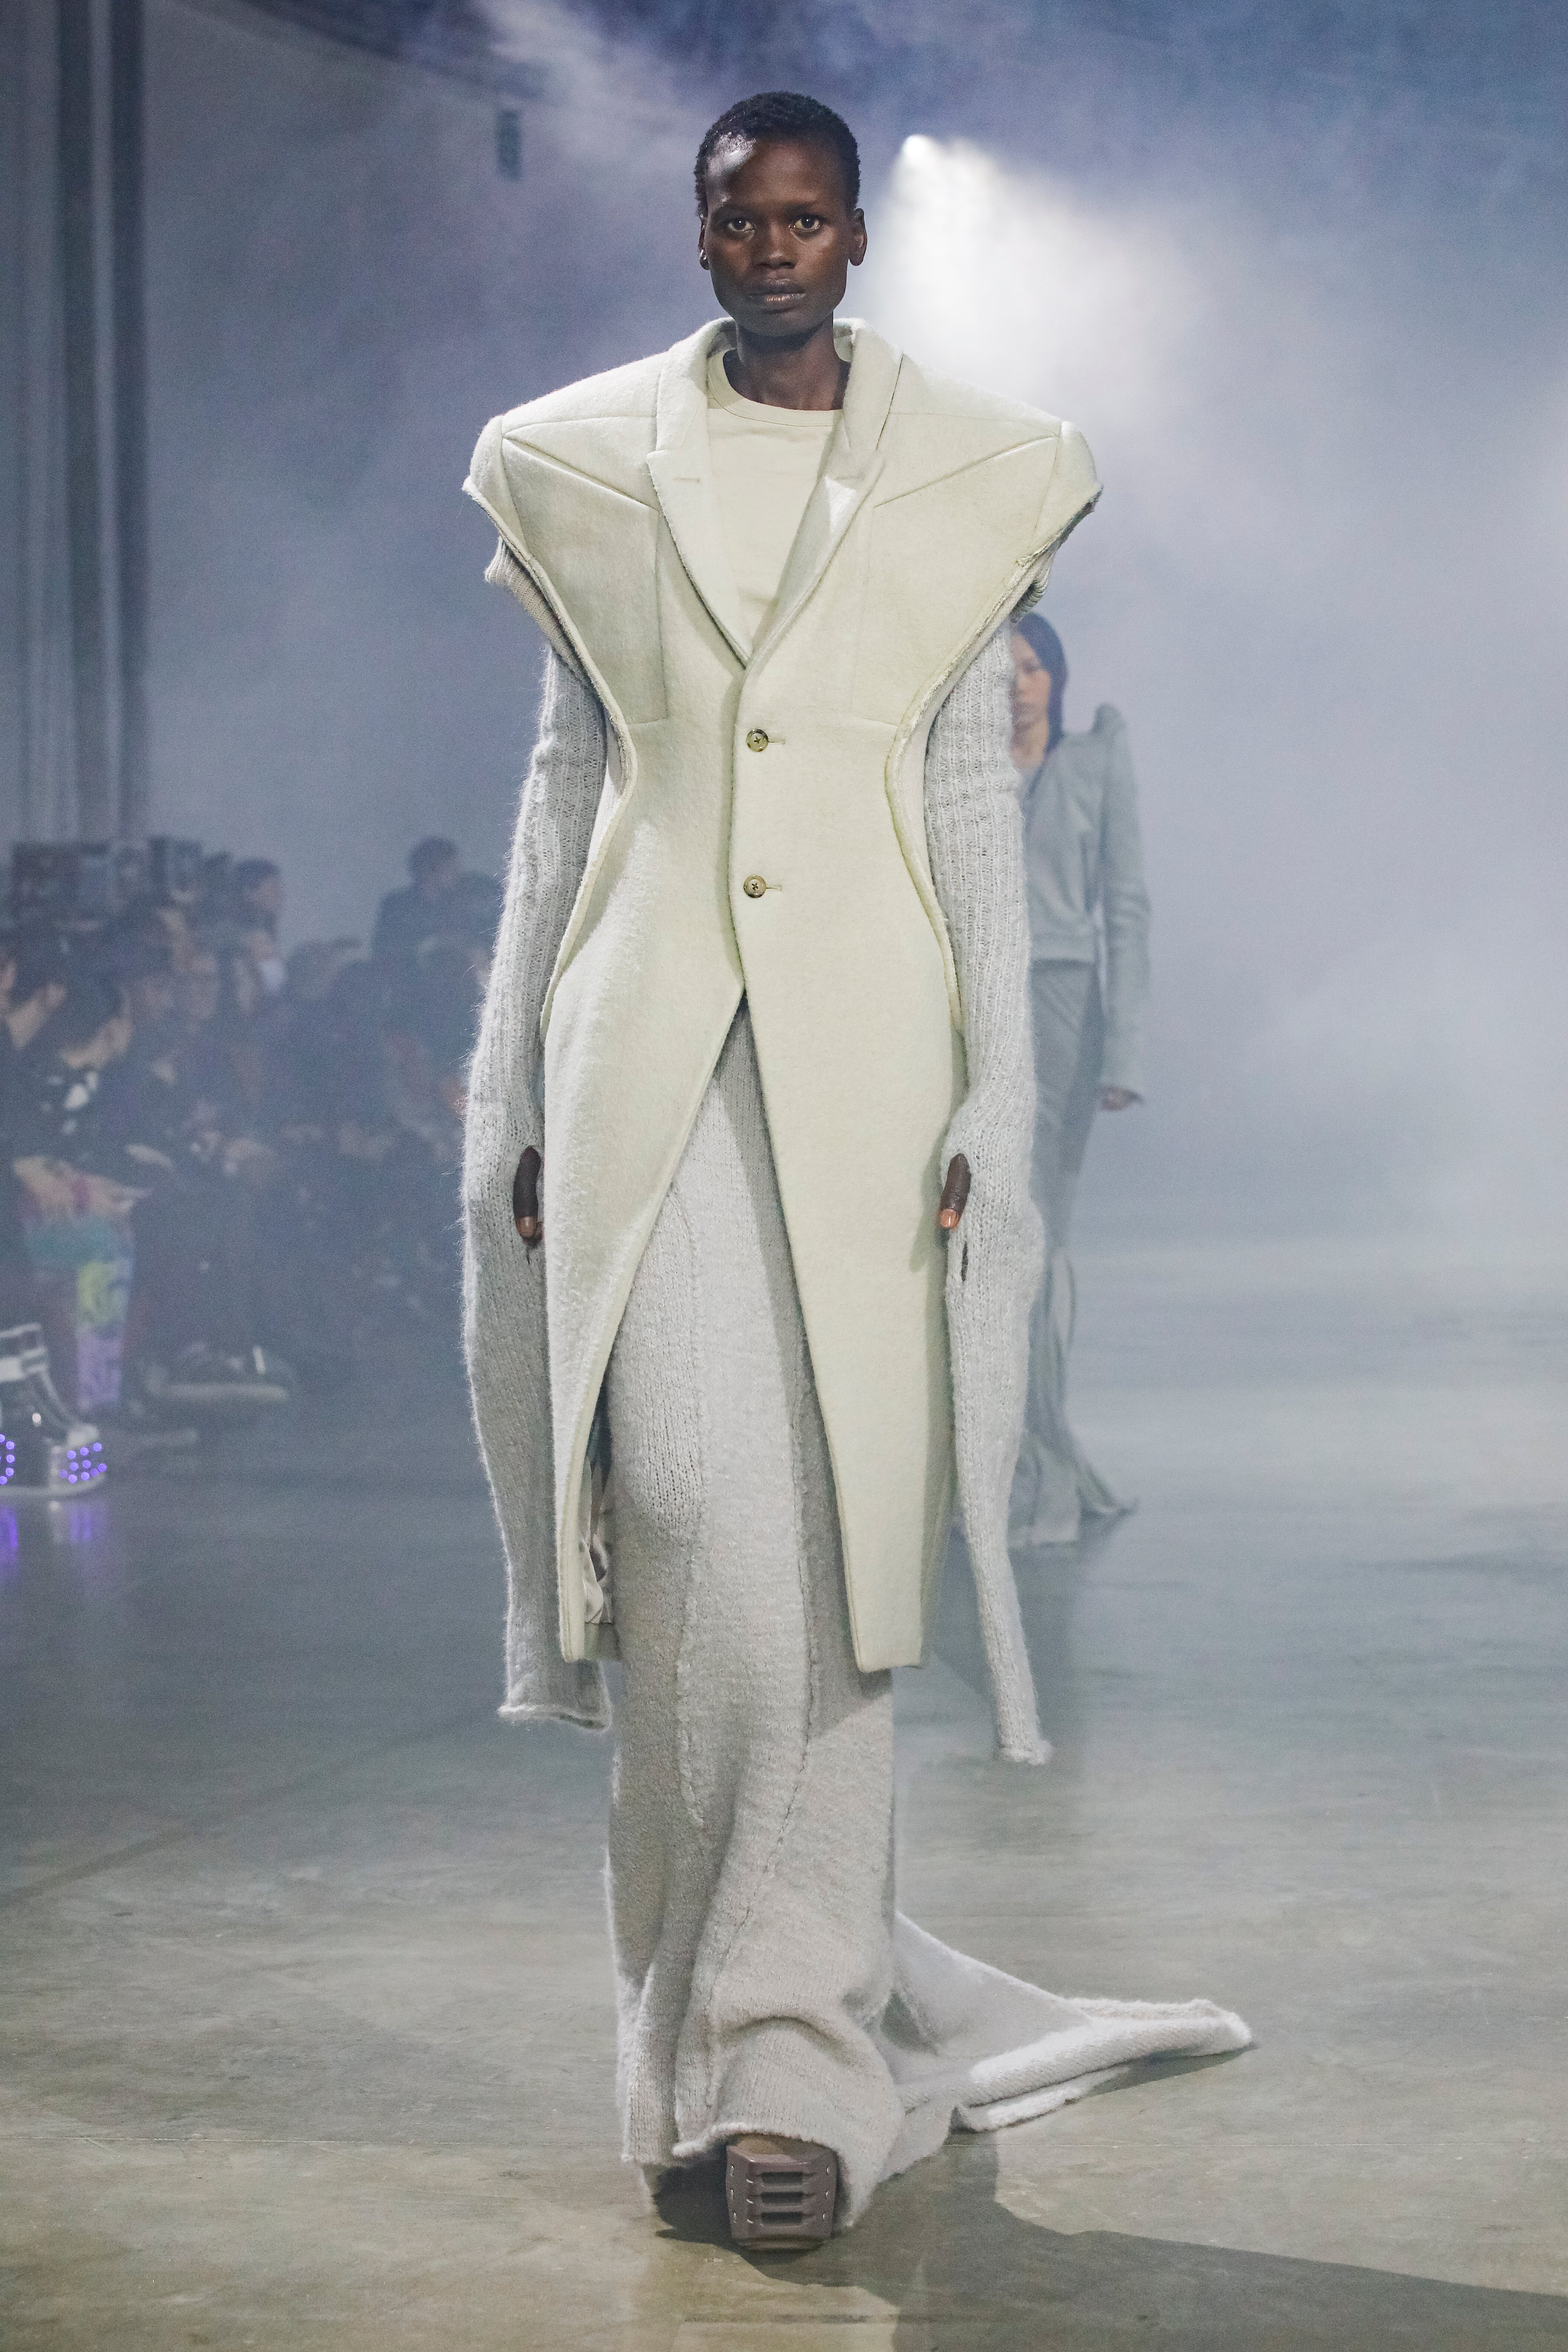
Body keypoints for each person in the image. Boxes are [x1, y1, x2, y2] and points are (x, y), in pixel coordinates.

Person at [463, 89, 1248, 2243]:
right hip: (642, 1053)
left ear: (855, 242)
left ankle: (779, 2074)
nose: (774, 248)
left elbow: (971, 805)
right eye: (743, 218)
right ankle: (720, 2044)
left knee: (825, 1560)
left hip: (871, 1065)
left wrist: (995, 1092)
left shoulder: (968, 474)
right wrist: (508, 1089)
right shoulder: (578, 463)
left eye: (808, 219)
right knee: (684, 1522)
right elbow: (560, 795)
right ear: (699, 232)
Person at [1007, 614, 1151, 1544]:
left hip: (1063, 1009)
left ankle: (1043, 1462)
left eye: (1031, 669)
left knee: (1038, 1232)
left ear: (1056, 677)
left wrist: (1124, 1054)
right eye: (1001, 673)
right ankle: (998, 1455)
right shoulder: (962, 773)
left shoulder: (1096, 761)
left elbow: (1126, 908)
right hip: (969, 1010)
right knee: (974, 1235)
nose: (1016, 687)